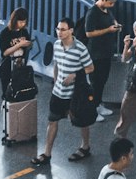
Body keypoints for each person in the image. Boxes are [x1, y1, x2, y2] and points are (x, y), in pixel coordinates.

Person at [40, 18, 97, 165]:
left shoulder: (80, 48)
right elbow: (56, 65)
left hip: (76, 94)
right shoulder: (56, 45)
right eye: (58, 29)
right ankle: (47, 153)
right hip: (58, 92)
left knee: (81, 121)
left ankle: (85, 147)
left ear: (71, 30)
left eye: (63, 29)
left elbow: (91, 68)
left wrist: (75, 75)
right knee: (52, 120)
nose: (59, 32)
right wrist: (55, 82)